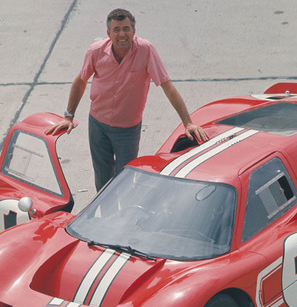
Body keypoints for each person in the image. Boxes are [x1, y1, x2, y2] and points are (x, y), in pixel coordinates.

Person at [46, 8, 208, 191]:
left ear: (134, 31)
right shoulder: (96, 51)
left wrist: (188, 123)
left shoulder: (146, 50)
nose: (122, 34)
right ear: (108, 33)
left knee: (126, 180)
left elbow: (167, 86)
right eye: (116, 30)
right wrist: (68, 116)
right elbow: (81, 80)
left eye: (126, 29)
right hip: (98, 125)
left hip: (127, 130)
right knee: (103, 180)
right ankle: (106, 217)